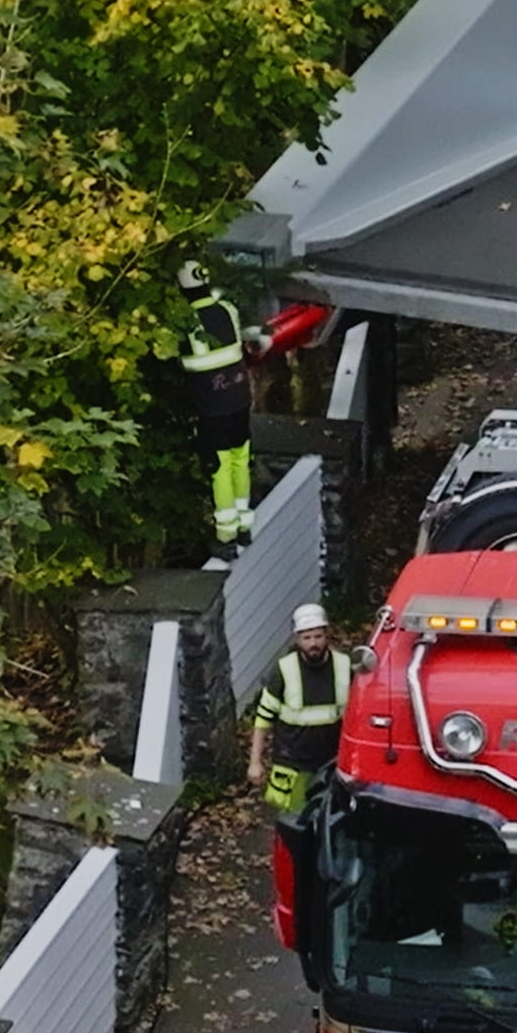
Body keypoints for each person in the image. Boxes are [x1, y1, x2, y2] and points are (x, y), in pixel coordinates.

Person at [250, 605, 353, 920]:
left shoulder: (344, 666)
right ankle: (295, 888)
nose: (314, 643)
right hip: (292, 765)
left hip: (333, 765)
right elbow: (263, 719)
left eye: (318, 636)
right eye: (307, 637)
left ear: (327, 635)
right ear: (297, 639)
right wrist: (255, 762)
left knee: (338, 828)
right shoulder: (283, 671)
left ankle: (332, 882)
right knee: (292, 829)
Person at [174, 257, 255, 551]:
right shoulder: (227, 309)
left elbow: (182, 365)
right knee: (240, 459)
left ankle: (226, 535)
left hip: (211, 404)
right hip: (239, 397)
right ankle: (245, 524)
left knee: (218, 466)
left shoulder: (186, 321)